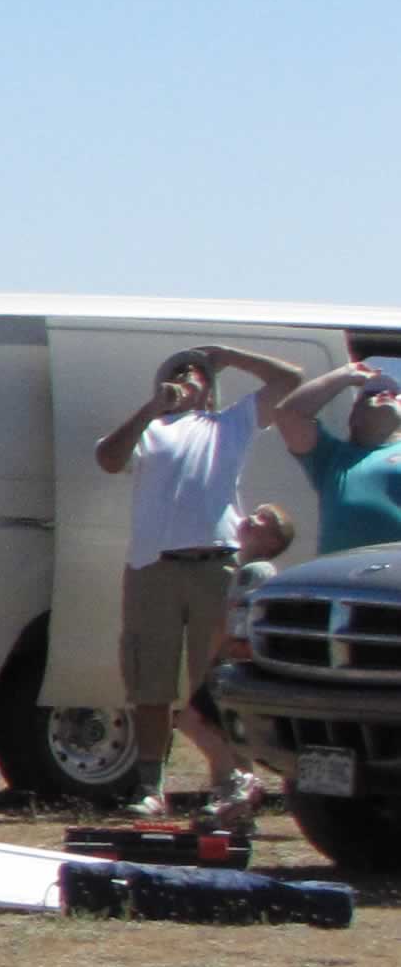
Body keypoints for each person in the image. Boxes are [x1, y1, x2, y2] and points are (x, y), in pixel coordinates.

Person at [91, 344, 300, 816]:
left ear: (210, 388)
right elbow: (107, 458)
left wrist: (226, 354)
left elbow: (289, 380)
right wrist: (153, 407)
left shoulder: (229, 423)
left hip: (215, 566)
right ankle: (149, 788)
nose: (186, 377)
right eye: (178, 371)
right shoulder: (151, 429)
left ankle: (230, 785)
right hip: (152, 567)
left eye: (196, 373)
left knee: (219, 682)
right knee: (150, 681)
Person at [190, 503, 299, 823]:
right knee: (227, 734)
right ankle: (232, 808)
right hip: (239, 665)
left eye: (265, 520)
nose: (252, 518)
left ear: (274, 541)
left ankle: (240, 785)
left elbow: (233, 621)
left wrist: (212, 659)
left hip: (232, 663)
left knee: (191, 719)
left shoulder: (255, 572)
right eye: (256, 513)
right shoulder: (246, 569)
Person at [270, 359, 401, 553]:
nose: (387, 394)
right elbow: (289, 414)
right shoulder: (332, 458)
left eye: (396, 395)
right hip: (342, 569)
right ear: (353, 416)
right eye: (372, 394)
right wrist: (347, 374)